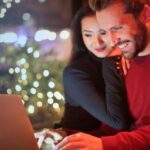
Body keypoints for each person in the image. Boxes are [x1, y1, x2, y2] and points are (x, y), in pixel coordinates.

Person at [55, 0, 150, 150]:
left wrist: (105, 144)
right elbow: (115, 129)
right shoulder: (126, 59)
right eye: (106, 30)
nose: (111, 42)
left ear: (146, 15)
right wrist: (66, 137)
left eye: (117, 28)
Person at [57, 6, 131, 137]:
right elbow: (118, 122)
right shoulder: (75, 73)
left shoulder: (127, 59)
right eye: (88, 34)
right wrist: (111, 60)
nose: (97, 42)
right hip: (75, 141)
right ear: (81, 36)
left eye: (102, 33)